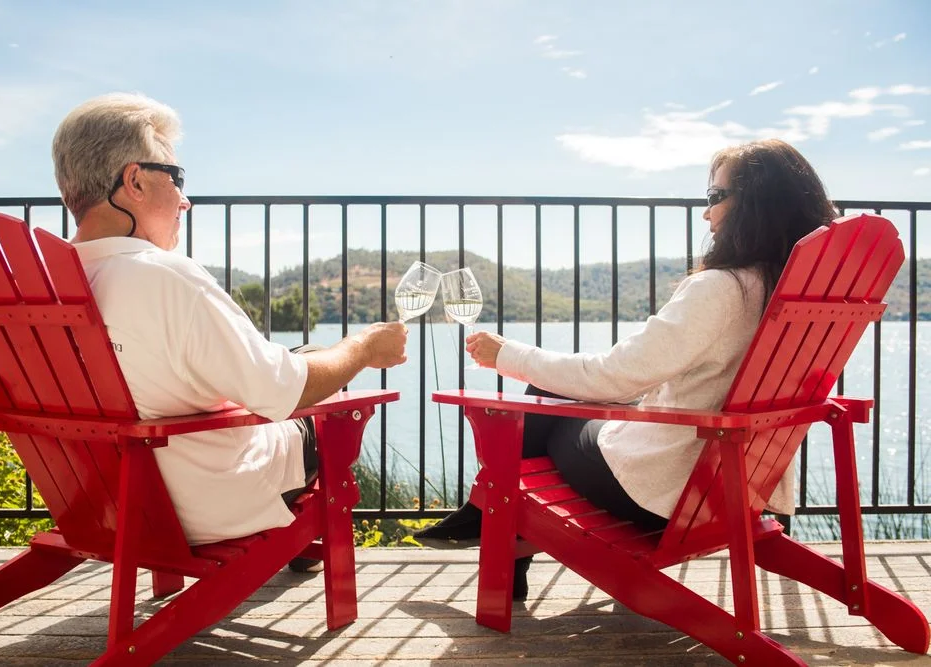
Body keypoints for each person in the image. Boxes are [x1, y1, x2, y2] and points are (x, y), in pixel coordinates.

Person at [416, 138, 838, 600]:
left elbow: (614, 377)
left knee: (549, 405)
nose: (706, 213)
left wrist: (508, 355)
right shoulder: (801, 295)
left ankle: (493, 527)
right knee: (563, 394)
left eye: (716, 197)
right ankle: (486, 521)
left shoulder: (722, 289)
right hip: (737, 488)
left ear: (756, 202)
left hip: (663, 493)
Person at [52, 93, 408, 569]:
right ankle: (302, 535)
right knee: (329, 397)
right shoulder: (167, 279)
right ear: (133, 180)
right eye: (176, 178)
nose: (186, 199)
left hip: (101, 500)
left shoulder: (46, 287)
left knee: (304, 352)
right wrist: (362, 347)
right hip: (203, 500)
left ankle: (297, 542)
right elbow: (281, 389)